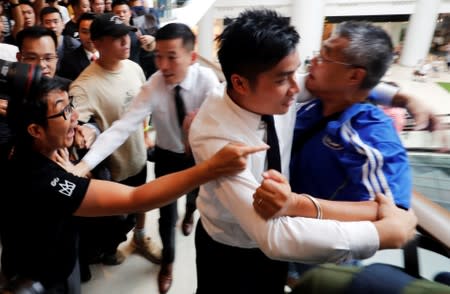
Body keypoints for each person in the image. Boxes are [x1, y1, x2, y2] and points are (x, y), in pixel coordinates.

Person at [188, 9, 417, 294]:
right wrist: (380, 234)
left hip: (280, 245)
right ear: (239, 83)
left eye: (297, 70)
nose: (298, 87)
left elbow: (340, 83)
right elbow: (274, 237)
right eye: (284, 78)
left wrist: (400, 96)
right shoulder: (217, 136)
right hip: (232, 246)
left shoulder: (272, 88)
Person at [0, 76, 264, 294]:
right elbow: (136, 198)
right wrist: (211, 168)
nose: (74, 116)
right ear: (35, 130)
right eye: (63, 110)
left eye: (71, 105)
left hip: (56, 257)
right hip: (40, 277)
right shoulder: (45, 179)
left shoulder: (33, 149)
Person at [62, 22, 220, 294]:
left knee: (196, 202)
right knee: (166, 215)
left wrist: (198, 130)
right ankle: (168, 262)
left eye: (172, 57)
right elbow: (122, 128)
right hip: (168, 157)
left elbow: (221, 126)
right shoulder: (153, 85)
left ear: (192, 57)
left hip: (200, 157)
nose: (163, 65)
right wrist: (83, 165)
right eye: (158, 55)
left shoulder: (207, 82)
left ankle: (191, 214)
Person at [258, 21, 412, 288]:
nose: (314, 61)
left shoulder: (371, 134)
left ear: (354, 76)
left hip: (324, 248)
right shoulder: (312, 105)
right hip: (283, 230)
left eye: (326, 55)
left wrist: (296, 204)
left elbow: (388, 209)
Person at [69, 12, 161, 267]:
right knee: (115, 221)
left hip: (139, 157)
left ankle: (140, 237)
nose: (126, 41)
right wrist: (82, 131)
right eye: (116, 37)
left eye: (126, 35)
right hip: (114, 169)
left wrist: (145, 135)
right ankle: (110, 247)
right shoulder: (84, 85)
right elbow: (72, 123)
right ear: (97, 43)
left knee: (144, 199)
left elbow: (143, 109)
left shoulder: (133, 67)